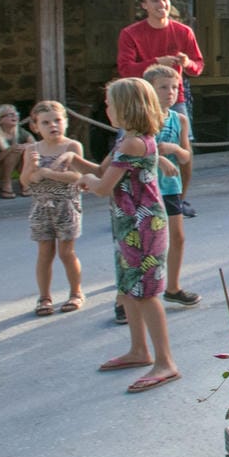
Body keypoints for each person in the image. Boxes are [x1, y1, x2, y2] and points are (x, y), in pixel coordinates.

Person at [74, 78, 180, 395]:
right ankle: (138, 350)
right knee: (130, 289)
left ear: (125, 107)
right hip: (128, 224)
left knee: (146, 292)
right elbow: (104, 173)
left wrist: (84, 180)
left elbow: (103, 185)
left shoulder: (133, 143)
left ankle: (165, 361)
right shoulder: (129, 140)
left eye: (109, 104)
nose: (105, 109)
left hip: (144, 226)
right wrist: (85, 172)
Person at [116, 0, 204, 198]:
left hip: (175, 97)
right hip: (141, 99)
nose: (162, 4)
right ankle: (129, 197)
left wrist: (186, 64)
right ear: (144, 5)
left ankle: (180, 199)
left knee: (185, 148)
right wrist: (156, 61)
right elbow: (125, 69)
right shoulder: (130, 33)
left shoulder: (183, 31)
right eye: (155, 0)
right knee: (127, 146)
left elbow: (198, 67)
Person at [22, 100, 88, 317]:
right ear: (35, 126)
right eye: (46, 122)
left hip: (66, 205)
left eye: (58, 120)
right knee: (44, 253)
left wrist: (50, 173)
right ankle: (44, 297)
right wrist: (32, 168)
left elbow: (78, 176)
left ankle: (76, 292)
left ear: (66, 122)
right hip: (41, 207)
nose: (53, 126)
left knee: (66, 252)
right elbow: (25, 181)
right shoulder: (32, 149)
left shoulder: (71, 146)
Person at [141, 66, 199, 310]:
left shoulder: (180, 120)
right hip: (145, 187)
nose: (170, 92)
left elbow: (186, 157)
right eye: (163, 87)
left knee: (177, 236)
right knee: (144, 241)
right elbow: (131, 153)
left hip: (170, 187)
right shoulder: (141, 118)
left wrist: (173, 150)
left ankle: (173, 287)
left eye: (174, 87)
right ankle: (131, 293)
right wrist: (158, 156)